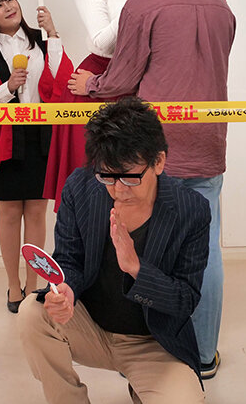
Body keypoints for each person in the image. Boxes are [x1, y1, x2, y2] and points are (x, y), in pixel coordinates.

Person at [68, 0, 233, 379]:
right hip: (210, 142)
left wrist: (91, 87)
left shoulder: (144, 3)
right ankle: (203, 354)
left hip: (156, 150)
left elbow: (121, 77)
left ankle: (159, 352)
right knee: (207, 250)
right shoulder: (222, 7)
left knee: (148, 246)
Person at [19, 97, 210, 403]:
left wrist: (136, 267)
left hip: (153, 343)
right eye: (107, 175)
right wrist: (67, 290)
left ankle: (142, 384)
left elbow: (185, 299)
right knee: (32, 312)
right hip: (91, 328)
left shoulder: (191, 210)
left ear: (159, 161)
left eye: (130, 177)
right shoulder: (81, 188)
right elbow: (69, 258)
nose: (118, 188)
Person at [42, 0, 162, 211]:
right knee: (94, 192)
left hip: (145, 83)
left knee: (144, 185)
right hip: (96, 82)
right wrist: (129, 5)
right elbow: (103, 43)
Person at [0, 0, 72, 313]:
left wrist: (52, 33)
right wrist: (7, 87)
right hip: (5, 140)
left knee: (37, 213)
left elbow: (62, 79)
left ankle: (33, 283)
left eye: (9, 0)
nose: (8, 7)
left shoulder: (41, 43)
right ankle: (13, 285)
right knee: (10, 214)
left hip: (41, 136)